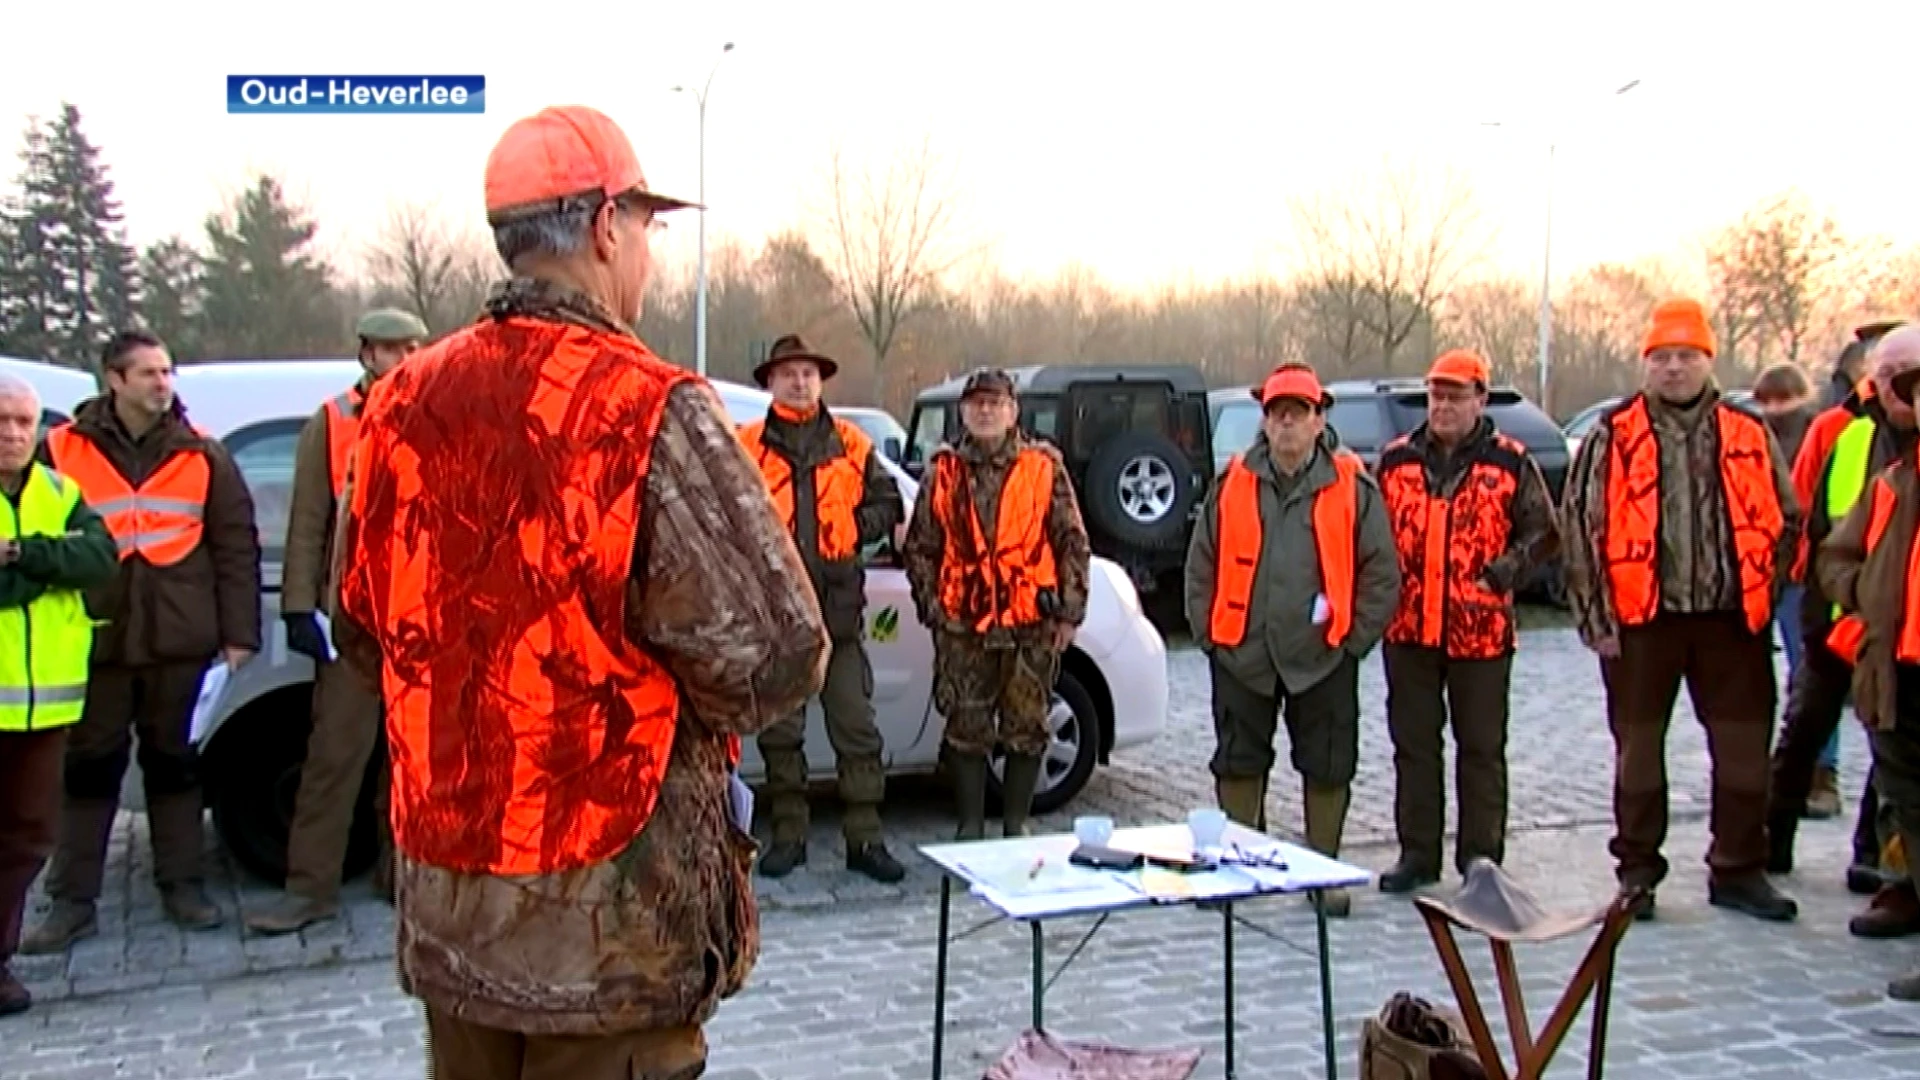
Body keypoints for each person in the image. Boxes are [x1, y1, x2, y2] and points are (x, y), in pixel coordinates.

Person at [331, 103, 829, 1078]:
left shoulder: (395, 406)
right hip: (608, 931)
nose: (649, 251)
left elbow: (362, 621)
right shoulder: (647, 404)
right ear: (606, 227)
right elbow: (777, 650)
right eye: (646, 226)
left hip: (454, 919)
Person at [1561, 298, 1801, 922]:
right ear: (1646, 365)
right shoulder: (1613, 435)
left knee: (1744, 753)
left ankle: (1739, 869)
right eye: (1661, 357)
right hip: (1644, 623)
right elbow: (1582, 529)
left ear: (1707, 360)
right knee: (1638, 755)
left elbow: (1788, 519)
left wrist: (1763, 593)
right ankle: (1638, 874)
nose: (1673, 369)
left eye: (1685, 356)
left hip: (1731, 622)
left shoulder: (1749, 432)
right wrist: (1597, 619)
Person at [22, 331, 262, 951]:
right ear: (114, 379)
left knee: (176, 768)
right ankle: (72, 900)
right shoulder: (59, 450)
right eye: (149, 373)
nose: (163, 384)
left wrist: (239, 634)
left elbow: (236, 545)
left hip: (179, 639)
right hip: (96, 640)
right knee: (87, 770)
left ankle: (181, 886)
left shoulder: (203, 452)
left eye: (167, 372)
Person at [1184, 362, 1401, 918]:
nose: (1286, 425)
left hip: (1322, 656)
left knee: (1328, 764)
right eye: (1277, 414)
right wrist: (1210, 636)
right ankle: (1237, 869)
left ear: (1318, 418)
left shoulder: (1353, 484)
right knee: (1237, 762)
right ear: (1265, 421)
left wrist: (1353, 642)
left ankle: (1323, 873)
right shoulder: (1233, 481)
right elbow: (1200, 562)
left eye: (1297, 414)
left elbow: (1382, 572)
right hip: (1243, 652)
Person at [244, 308, 427, 935]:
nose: (401, 359)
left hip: (417, 618)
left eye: (411, 347)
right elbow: (308, 521)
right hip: (351, 618)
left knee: (414, 761)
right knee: (334, 755)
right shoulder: (330, 422)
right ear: (366, 353)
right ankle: (309, 890)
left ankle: (403, 877)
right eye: (389, 349)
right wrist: (300, 606)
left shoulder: (436, 412)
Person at [1374, 350, 1557, 893]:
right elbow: (1371, 538)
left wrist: (1500, 575)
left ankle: (1481, 859)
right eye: (1437, 395)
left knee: (1480, 749)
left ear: (1481, 399)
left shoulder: (1510, 461)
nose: (1445, 405)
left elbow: (1546, 533)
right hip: (1409, 629)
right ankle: (1417, 854)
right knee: (1414, 746)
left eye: (1456, 395)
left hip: (1479, 631)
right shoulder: (1395, 460)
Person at [737, 333, 907, 883]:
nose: (800, 381)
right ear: (770, 382)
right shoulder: (745, 445)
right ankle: (789, 836)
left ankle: (865, 839)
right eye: (788, 373)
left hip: (840, 619)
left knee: (857, 730)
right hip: (779, 621)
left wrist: (856, 528)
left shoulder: (853, 444)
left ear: (821, 379)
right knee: (781, 735)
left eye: (808, 372)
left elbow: (890, 502)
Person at [902, 367, 1091, 842]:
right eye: (977, 404)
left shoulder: (1043, 466)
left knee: (1027, 724)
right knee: (966, 725)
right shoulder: (943, 470)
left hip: (1030, 621)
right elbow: (921, 546)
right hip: (963, 625)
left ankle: (1016, 826)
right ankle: (970, 828)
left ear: (1013, 411)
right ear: (963, 412)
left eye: (995, 403)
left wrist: (1069, 611)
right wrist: (933, 607)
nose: (985, 411)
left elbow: (1071, 540)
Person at [1776, 330, 1920, 940]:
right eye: (1886, 372)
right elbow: (1814, 528)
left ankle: (1890, 876)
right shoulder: (1850, 436)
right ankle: (1769, 845)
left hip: (1896, 642)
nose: (1893, 385)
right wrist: (1861, 598)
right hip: (1849, 631)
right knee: (1812, 732)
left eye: (1907, 373)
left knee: (1897, 783)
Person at [0, 374, 119, 1017]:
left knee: (25, 836)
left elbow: (99, 558)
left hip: (44, 705)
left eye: (23, 423)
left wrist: (21, 553)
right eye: (1, 422)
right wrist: (43, 571)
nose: (13, 434)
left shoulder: (58, 491)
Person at [1816, 336, 1920, 1000]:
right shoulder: (1891, 479)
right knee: (1908, 805)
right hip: (1894, 672)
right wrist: (1867, 601)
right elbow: (1833, 553)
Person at [1751, 361, 1846, 818]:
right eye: (1766, 400)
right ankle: (1772, 772)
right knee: (1754, 677)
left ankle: (1821, 773)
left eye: (1781, 399)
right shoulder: (1750, 436)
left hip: (1802, 575)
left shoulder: (1822, 434)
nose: (1775, 409)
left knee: (1809, 676)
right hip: (1758, 572)